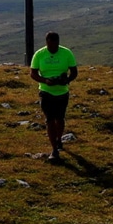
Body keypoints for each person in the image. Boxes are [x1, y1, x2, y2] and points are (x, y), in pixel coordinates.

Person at [30, 31, 78, 161]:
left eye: (55, 46)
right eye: (50, 46)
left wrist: (66, 80)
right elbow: (33, 73)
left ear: (58, 43)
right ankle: (54, 149)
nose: (52, 48)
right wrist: (45, 81)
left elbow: (74, 72)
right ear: (47, 43)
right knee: (50, 120)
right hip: (46, 92)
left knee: (60, 118)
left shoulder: (66, 53)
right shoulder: (39, 54)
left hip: (62, 92)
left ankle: (58, 138)